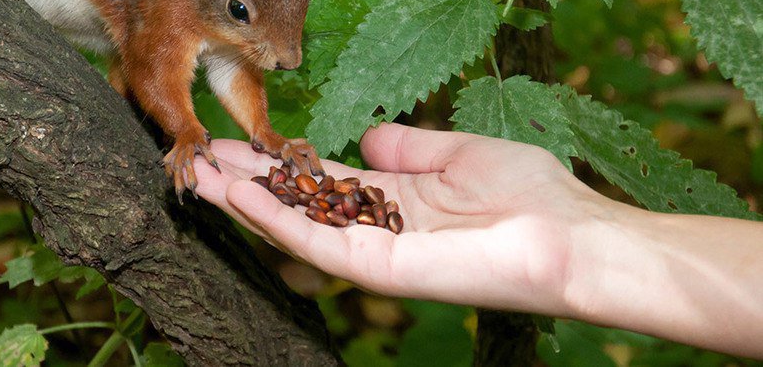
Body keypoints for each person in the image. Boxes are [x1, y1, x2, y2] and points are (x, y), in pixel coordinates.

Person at [194, 123, 763, 359]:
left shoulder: (357, 200)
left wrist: (573, 243)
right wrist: (575, 241)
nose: (340, 203)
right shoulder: (342, 196)